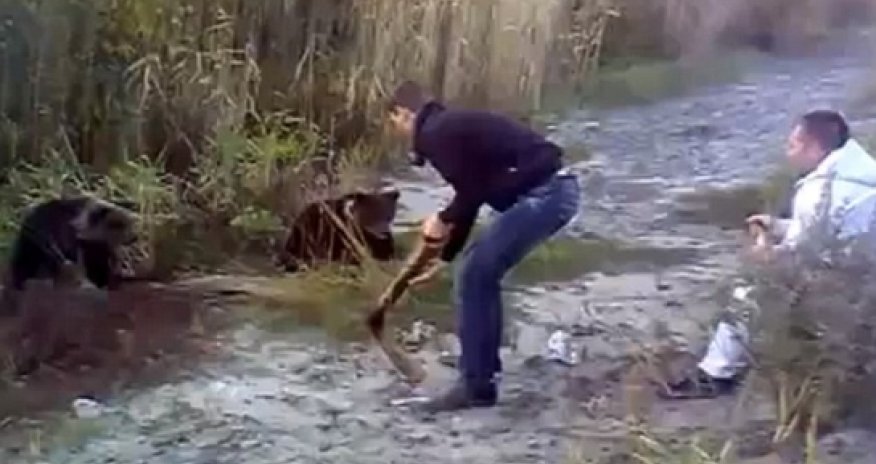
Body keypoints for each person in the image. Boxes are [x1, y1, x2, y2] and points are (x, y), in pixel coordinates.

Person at [385, 81, 581, 412]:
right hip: (556, 192)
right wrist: (445, 258)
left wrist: (442, 218)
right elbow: (471, 194)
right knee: (477, 273)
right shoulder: (449, 129)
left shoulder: (436, 134)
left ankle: (477, 386)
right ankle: (480, 380)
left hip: (548, 194)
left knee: (476, 274)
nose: (398, 132)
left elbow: (471, 193)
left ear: (403, 114)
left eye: (394, 124)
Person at [661, 109, 876, 400]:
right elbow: (828, 232)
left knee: (749, 292)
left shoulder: (821, 190)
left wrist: (764, 252)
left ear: (813, 147)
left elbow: (801, 256)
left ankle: (715, 375)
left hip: (854, 285)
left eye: (793, 145)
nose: (788, 153)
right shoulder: (863, 171)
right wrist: (778, 227)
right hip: (864, 269)